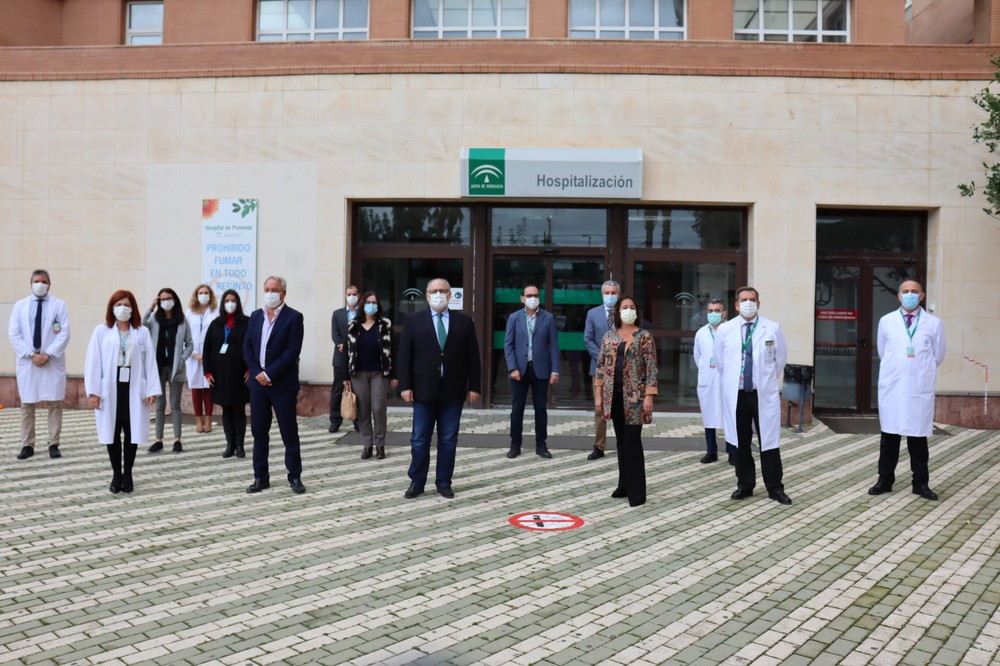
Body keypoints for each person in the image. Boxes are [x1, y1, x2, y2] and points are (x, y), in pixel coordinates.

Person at [397, 278, 481, 499]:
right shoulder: (414, 321)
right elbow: (405, 356)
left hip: (453, 390)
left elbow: (473, 356)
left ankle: (444, 482)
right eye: (434, 291)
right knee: (420, 439)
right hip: (423, 389)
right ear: (426, 295)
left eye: (442, 291)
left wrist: (475, 386)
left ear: (450, 295)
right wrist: (405, 385)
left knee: (448, 439)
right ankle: (417, 481)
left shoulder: (464, 322)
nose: (438, 294)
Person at [869, 280, 946, 501]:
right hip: (893, 387)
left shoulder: (933, 323)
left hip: (918, 388)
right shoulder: (887, 321)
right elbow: (884, 351)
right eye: (906, 292)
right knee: (889, 438)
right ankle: (885, 480)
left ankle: (920, 483)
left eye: (914, 292)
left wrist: (918, 370)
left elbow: (938, 356)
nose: (910, 295)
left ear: (922, 296)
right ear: (899, 296)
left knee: (918, 440)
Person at [714, 286, 791, 505]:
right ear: (736, 305)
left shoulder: (772, 328)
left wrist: (763, 380)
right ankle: (745, 485)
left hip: (762, 394)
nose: (748, 303)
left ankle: (775, 487)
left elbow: (780, 361)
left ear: (759, 303)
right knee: (741, 442)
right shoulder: (725, 330)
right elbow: (720, 363)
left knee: (769, 441)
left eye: (752, 299)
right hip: (737, 395)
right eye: (744, 300)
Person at [84, 291, 161, 494]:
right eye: (118, 304)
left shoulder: (141, 332)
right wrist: (93, 392)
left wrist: (152, 389)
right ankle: (116, 474)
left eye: (127, 304)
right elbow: (93, 362)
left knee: (131, 432)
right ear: (112, 307)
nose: (123, 308)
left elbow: (150, 362)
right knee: (112, 432)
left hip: (134, 388)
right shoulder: (102, 331)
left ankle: (128, 474)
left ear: (133, 308)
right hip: (109, 388)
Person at [243, 276, 306, 494]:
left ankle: (295, 476)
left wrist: (269, 374)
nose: (270, 293)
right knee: (259, 432)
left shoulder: (294, 318)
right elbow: (247, 346)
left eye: (275, 289)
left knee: (289, 433)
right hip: (258, 386)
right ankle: (261, 477)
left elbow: (292, 352)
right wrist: (257, 372)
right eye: (267, 289)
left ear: (283, 293)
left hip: (282, 385)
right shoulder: (255, 316)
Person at [594, 296, 657, 508]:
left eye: (632, 307)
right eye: (624, 307)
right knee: (620, 442)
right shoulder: (609, 336)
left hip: (635, 399)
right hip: (613, 397)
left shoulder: (644, 336)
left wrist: (649, 395)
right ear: (618, 312)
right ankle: (623, 484)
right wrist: (598, 397)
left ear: (637, 311)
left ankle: (637, 492)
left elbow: (651, 367)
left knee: (632, 442)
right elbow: (600, 367)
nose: (628, 310)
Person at [8, 270, 70, 460]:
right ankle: (27, 444)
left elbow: (64, 333)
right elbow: (14, 334)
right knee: (27, 404)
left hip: (51, 362)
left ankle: (53, 443)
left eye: (43, 281)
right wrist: (31, 355)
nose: (40, 284)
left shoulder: (59, 305)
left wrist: (48, 354)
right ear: (30, 284)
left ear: (49, 284)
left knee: (54, 403)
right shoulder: (20, 306)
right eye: (36, 281)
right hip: (29, 362)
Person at [503, 284, 560, 459]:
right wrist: (512, 367)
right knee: (517, 409)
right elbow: (508, 345)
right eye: (529, 295)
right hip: (519, 370)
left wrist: (555, 370)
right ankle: (515, 445)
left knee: (540, 409)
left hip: (541, 370)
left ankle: (541, 445)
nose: (532, 298)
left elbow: (554, 346)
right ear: (522, 298)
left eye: (535, 295)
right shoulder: (514, 318)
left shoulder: (548, 318)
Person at [344, 292, 398, 460]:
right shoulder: (353, 325)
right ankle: (367, 445)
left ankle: (380, 445)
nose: (371, 305)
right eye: (368, 302)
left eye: (374, 302)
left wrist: (395, 374)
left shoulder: (385, 324)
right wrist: (344, 376)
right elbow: (346, 352)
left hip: (380, 374)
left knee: (378, 407)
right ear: (362, 305)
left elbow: (394, 350)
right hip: (358, 374)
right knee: (363, 409)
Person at [143, 288, 193, 453]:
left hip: (175, 368)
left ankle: (177, 440)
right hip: (157, 367)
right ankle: (158, 440)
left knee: (175, 404)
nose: (166, 301)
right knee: (159, 404)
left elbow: (189, 344)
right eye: (162, 298)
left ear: (175, 299)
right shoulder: (154, 319)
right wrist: (150, 307)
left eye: (168, 298)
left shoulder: (182, 320)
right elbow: (141, 327)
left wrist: (182, 359)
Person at [203, 289, 250, 459]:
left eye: (233, 300)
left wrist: (250, 369)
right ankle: (230, 444)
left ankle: (240, 445)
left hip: (239, 374)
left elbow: (253, 347)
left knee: (238, 409)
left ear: (238, 303)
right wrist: (207, 372)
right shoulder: (216, 324)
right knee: (226, 410)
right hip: (220, 375)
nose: (230, 303)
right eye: (227, 300)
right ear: (223, 303)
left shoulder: (247, 323)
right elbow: (206, 349)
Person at [693, 299, 734, 465]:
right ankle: (711, 451)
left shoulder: (731, 330)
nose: (713, 314)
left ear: (724, 312)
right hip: (708, 381)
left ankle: (732, 452)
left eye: (717, 310)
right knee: (709, 416)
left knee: (730, 417)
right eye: (710, 311)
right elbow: (698, 356)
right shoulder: (701, 332)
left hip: (727, 380)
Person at [583, 279, 621, 460]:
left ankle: (623, 444)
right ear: (602, 294)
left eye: (613, 293)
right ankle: (599, 446)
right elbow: (587, 339)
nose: (610, 296)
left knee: (622, 407)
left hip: (622, 368)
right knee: (599, 408)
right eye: (607, 293)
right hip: (599, 369)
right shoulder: (592, 314)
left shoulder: (625, 313)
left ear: (619, 295)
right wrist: (603, 358)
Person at [184, 284, 219, 433]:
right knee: (196, 388)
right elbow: (184, 334)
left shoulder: (216, 312)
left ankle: (209, 419)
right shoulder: (189, 312)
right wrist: (195, 354)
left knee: (208, 386)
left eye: (206, 293)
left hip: (210, 355)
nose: (203, 295)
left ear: (210, 295)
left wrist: (209, 355)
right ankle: (198, 419)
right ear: (196, 295)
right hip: (193, 355)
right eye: (201, 293)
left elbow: (218, 334)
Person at [330, 285, 361, 433]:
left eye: (354, 294)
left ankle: (358, 421)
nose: (352, 296)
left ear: (358, 295)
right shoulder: (337, 314)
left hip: (358, 358)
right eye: (349, 294)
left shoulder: (362, 314)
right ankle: (335, 421)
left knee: (358, 390)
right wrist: (340, 344)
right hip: (340, 357)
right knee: (337, 390)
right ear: (345, 295)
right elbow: (335, 333)